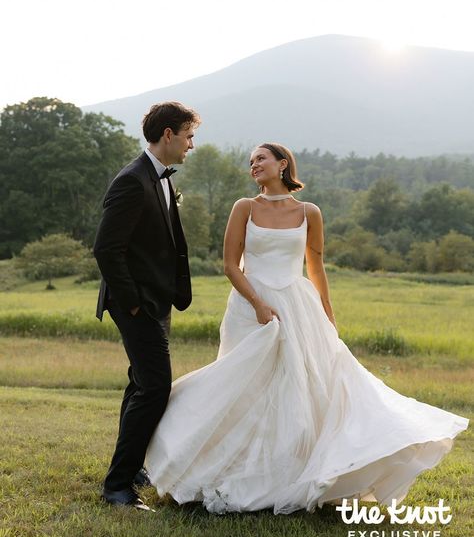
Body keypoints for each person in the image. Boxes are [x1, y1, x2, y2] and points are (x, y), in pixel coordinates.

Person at [145, 142, 468, 514]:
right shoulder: (244, 208)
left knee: (300, 389)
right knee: (242, 387)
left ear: (283, 164)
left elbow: (315, 266)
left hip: (297, 304)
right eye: (250, 162)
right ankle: (218, 467)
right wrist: (259, 305)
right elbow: (231, 266)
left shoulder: (310, 212)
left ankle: (291, 475)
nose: (254, 165)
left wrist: (326, 314)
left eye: (261, 159)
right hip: (250, 307)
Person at [93, 101, 200, 511]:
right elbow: (106, 249)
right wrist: (135, 304)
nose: (191, 145)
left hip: (157, 302)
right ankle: (118, 487)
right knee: (155, 387)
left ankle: (131, 468)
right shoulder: (132, 181)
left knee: (141, 383)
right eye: (188, 136)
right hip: (135, 304)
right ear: (168, 134)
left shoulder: (163, 179)